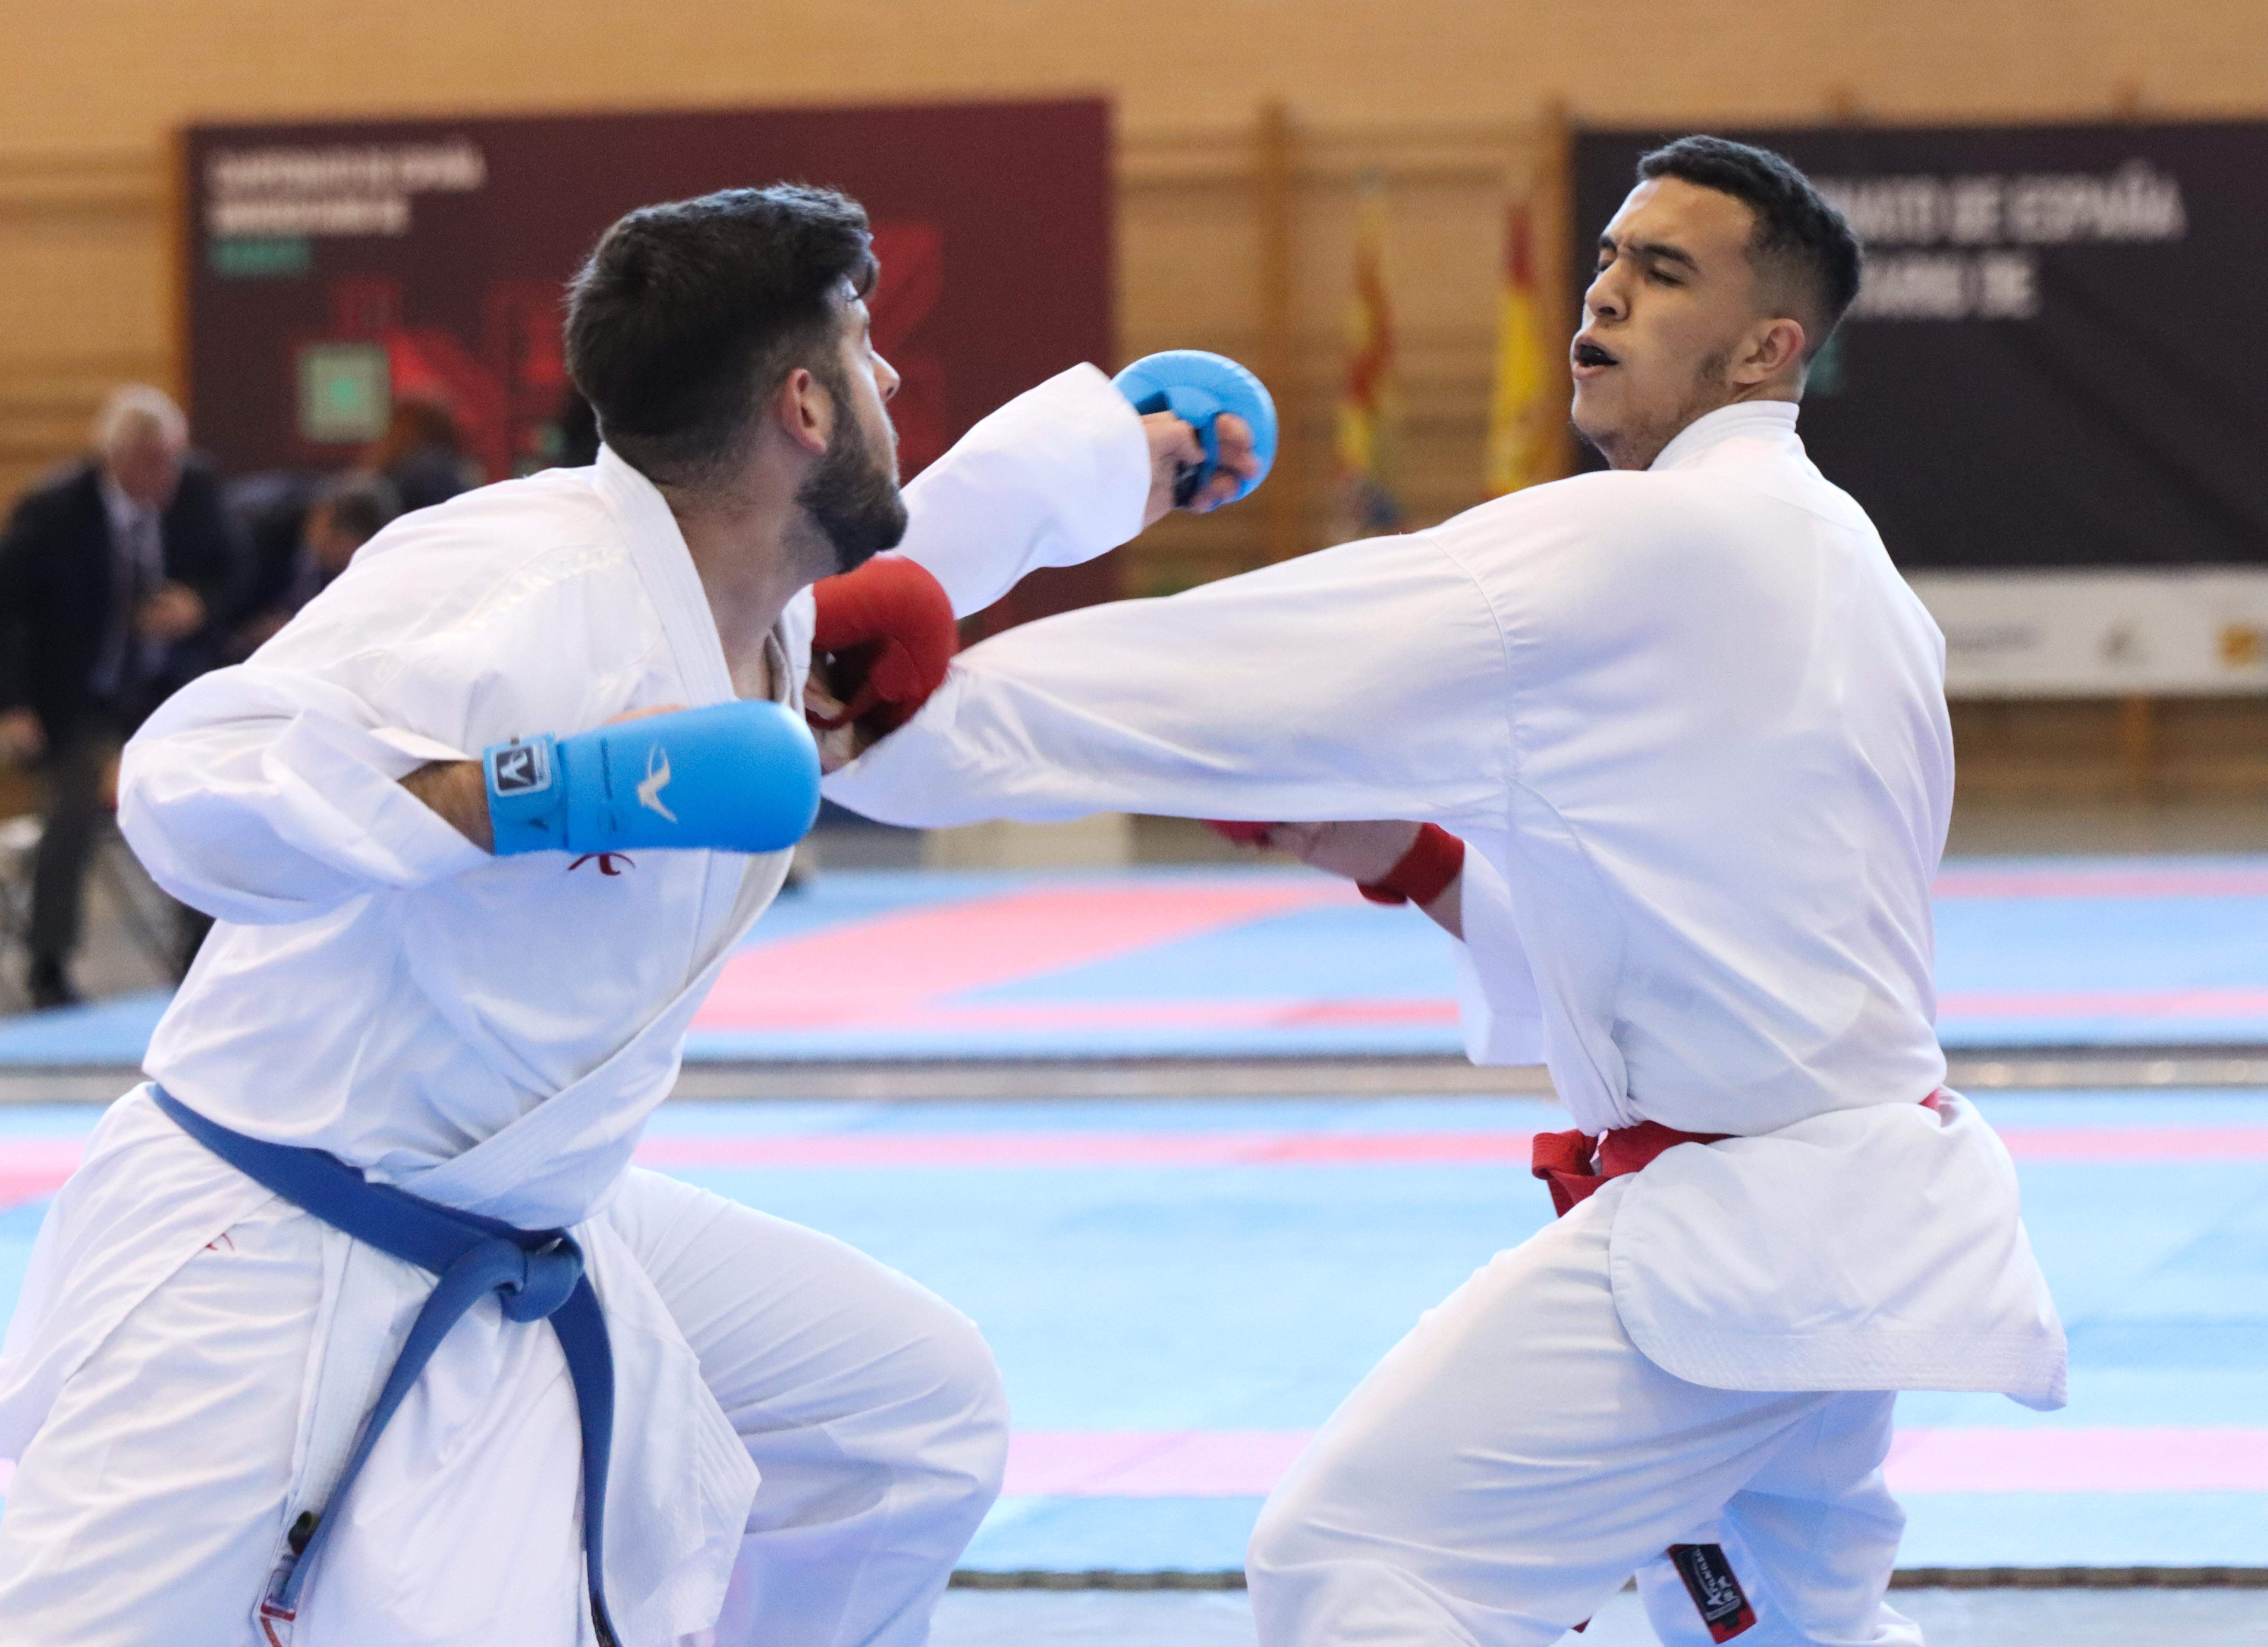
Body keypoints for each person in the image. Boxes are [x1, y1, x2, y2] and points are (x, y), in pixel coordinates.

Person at [0, 183, 1242, 1647]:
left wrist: (1132, 454)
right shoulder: (524, 586)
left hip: (519, 1193)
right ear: (802, 408)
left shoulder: (756, 579)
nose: (889, 383)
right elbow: (189, 781)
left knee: (904, 1413)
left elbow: (936, 538)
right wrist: (550, 793)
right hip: (266, 1241)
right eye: (865, 354)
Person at [818, 138, 2065, 1647]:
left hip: (1751, 1249)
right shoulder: (1839, 559)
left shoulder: (1650, 540)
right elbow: (1718, 916)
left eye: (1660, 274)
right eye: (1606, 259)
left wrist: (897, 722)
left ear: (1765, 349)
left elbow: (1239, 666)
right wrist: (1413, 861)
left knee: (1358, 1568)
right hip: (1838, 1224)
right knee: (1790, 1638)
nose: (1602, 296)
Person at [0, 384, 244, 1007]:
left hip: (166, 689)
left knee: (199, 805)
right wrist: (6, 703)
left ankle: (201, 959)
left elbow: (235, 572)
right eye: (154, 463)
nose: (168, 475)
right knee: (72, 810)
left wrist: (198, 605)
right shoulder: (53, 511)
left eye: (174, 458)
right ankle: (49, 962)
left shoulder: (196, 492)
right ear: (117, 459)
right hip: (79, 694)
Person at [223, 472, 401, 657]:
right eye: (343, 553)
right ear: (324, 517)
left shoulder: (333, 557)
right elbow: (220, 604)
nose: (344, 566)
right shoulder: (252, 534)